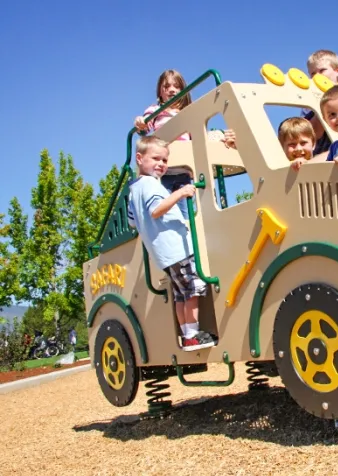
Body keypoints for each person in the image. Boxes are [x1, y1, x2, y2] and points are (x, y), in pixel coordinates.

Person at [127, 135, 218, 350]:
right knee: (193, 290)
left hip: (163, 254)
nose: (161, 164)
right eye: (155, 158)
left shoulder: (134, 190)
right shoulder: (150, 184)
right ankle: (193, 336)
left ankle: (187, 335)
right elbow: (156, 210)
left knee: (180, 295)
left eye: (165, 160)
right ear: (139, 158)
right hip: (176, 249)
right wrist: (180, 192)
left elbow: (133, 222)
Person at [133, 69, 197, 220]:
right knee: (164, 211)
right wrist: (140, 123)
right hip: (164, 171)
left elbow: (196, 135)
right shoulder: (155, 111)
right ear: (159, 91)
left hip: (184, 170)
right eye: (166, 87)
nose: (172, 90)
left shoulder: (188, 113)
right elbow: (145, 127)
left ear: (183, 90)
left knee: (185, 216)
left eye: (176, 86)